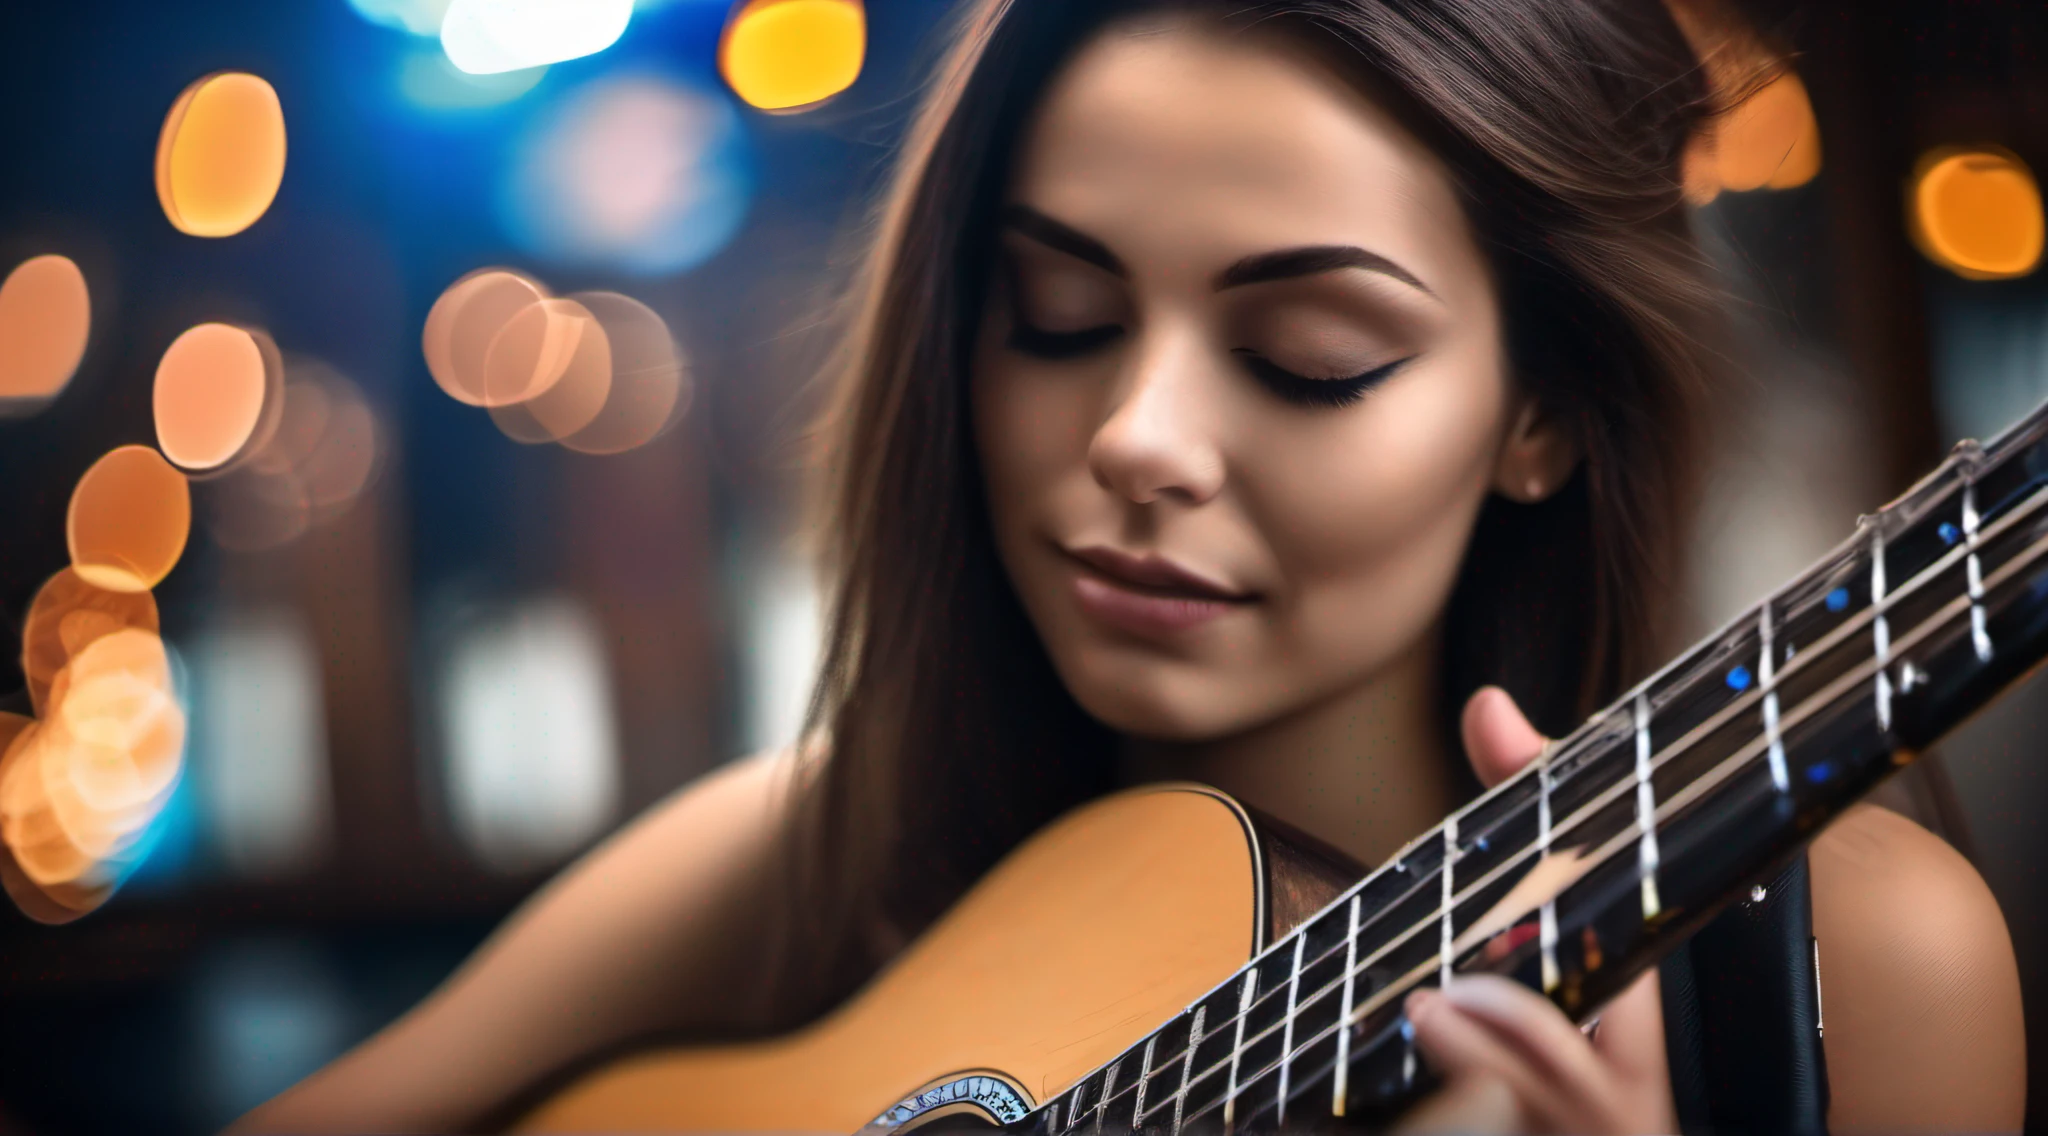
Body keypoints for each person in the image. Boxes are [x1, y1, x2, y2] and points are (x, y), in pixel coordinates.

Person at [235, 0, 2027, 1131]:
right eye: (1061, 314)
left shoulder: (1857, 973)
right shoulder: (825, 848)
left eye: (1312, 353)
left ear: (1539, 410)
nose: (1136, 437)